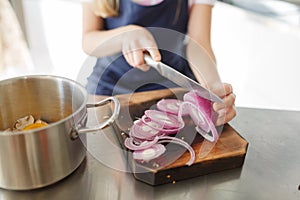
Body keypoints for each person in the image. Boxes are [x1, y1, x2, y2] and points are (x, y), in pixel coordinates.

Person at [81, 0, 236, 126]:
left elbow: (198, 42)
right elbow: (89, 41)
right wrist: (124, 35)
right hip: (108, 87)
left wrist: (212, 86)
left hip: (172, 89)